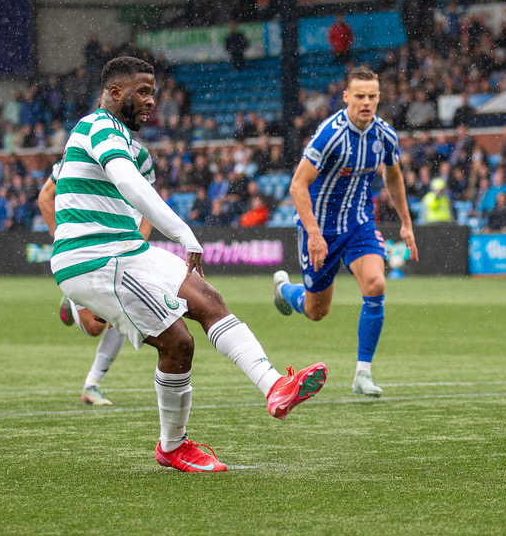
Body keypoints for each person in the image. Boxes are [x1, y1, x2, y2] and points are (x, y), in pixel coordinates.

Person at [51, 56, 326, 471]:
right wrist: (183, 233)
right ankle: (172, 446)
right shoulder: (96, 126)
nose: (150, 101)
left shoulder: (134, 148)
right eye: (141, 92)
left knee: (206, 296)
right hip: (95, 258)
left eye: (153, 93)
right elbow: (127, 184)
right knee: (179, 343)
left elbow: (135, 192)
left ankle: (275, 386)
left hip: (126, 250)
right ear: (113, 93)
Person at [272, 66, 418, 397]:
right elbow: (298, 185)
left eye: (372, 97)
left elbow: (392, 177)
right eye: (359, 96)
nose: (366, 102)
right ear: (346, 97)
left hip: (358, 223)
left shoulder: (385, 136)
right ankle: (284, 291)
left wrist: (406, 223)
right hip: (320, 229)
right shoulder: (330, 134)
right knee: (315, 311)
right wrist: (313, 233)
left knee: (376, 283)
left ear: (379, 98)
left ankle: (362, 374)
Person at [38, 150, 157, 406]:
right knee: (94, 327)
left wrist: (139, 244)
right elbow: (45, 197)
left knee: (123, 316)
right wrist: (63, 241)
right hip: (86, 251)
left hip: (123, 247)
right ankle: (72, 297)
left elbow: (149, 203)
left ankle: (92, 385)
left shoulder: (140, 155)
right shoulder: (79, 153)